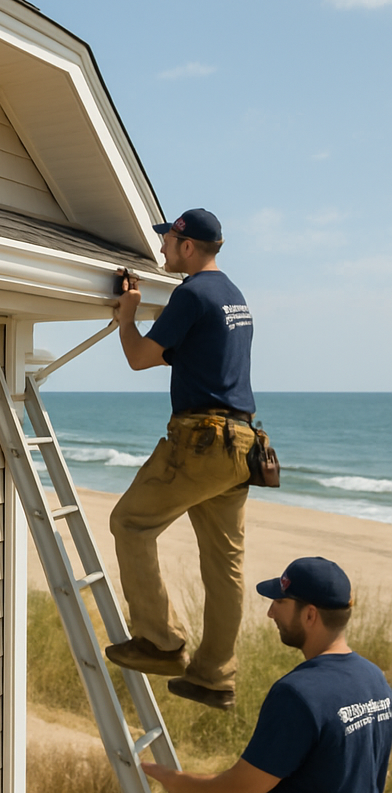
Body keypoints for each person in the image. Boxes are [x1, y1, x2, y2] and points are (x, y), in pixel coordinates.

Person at [143, 557, 392, 793]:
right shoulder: (375, 679)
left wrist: (177, 782)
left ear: (310, 614)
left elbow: (242, 789)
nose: (270, 613)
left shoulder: (299, 693)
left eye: (280, 602)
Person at [105, 207, 256, 710]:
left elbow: (140, 357)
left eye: (168, 241)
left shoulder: (191, 294)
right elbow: (191, 354)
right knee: (224, 566)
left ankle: (160, 642)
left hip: (200, 441)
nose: (163, 249)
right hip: (242, 445)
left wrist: (126, 318)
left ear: (188, 245)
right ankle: (215, 676)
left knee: (129, 523)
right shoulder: (233, 296)